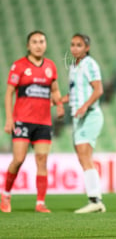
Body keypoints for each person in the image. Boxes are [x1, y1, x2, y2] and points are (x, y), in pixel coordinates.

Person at [1, 30, 65, 213]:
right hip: (22, 120)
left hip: (44, 122)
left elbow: (54, 90)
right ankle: (5, 193)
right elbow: (9, 93)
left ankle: (40, 203)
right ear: (28, 45)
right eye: (35, 42)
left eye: (42, 41)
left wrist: (59, 103)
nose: (39, 45)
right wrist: (9, 118)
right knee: (18, 159)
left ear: (45, 44)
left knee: (42, 160)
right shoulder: (19, 66)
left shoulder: (51, 66)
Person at [60, 33, 106, 213]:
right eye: (72, 45)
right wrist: (58, 101)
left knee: (85, 156)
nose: (74, 48)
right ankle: (95, 199)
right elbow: (74, 93)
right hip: (78, 116)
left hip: (90, 115)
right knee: (82, 157)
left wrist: (85, 106)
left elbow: (98, 89)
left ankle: (95, 199)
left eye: (78, 45)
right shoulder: (73, 66)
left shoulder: (90, 64)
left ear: (86, 47)